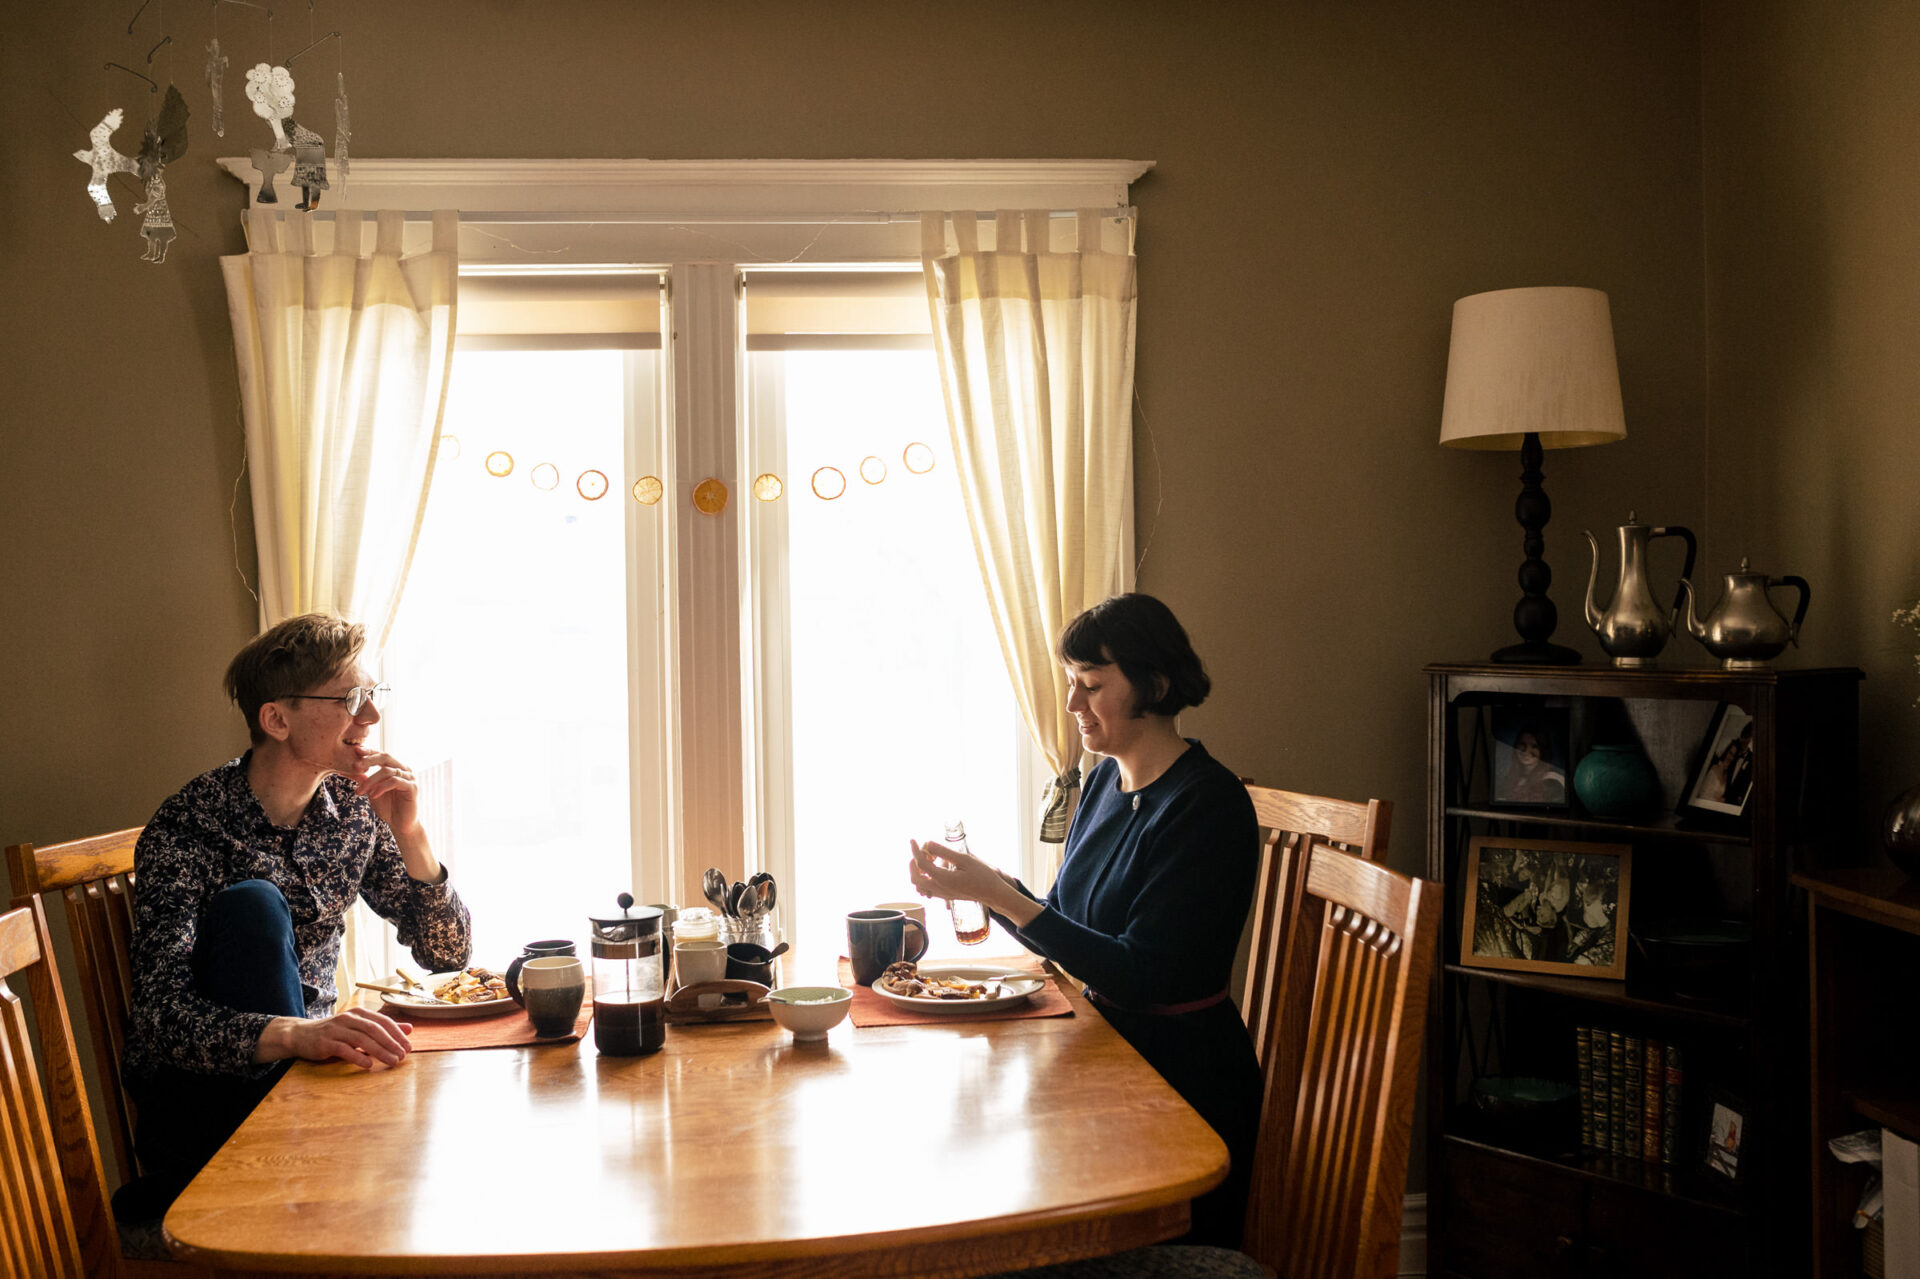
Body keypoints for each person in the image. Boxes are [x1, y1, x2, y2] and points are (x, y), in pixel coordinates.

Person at [908, 593, 1260, 1248]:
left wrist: (1003, 896)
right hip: (1108, 1060)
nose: (1072, 705)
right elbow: (1069, 921)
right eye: (1072, 682)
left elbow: (1140, 974)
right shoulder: (1101, 784)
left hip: (1181, 1088)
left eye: (1090, 684)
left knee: (1013, 1223)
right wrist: (985, 886)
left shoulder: (1208, 805)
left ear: (1153, 685)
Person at [114, 613, 471, 1223]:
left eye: (372, 696)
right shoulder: (189, 825)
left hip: (303, 1090)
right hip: (206, 1109)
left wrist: (410, 832)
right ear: (276, 720)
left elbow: (447, 953)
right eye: (351, 699)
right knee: (254, 903)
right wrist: (295, 1033)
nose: (371, 718)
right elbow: (159, 1021)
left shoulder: (353, 814)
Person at [1499, 727, 1566, 804]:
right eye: (1522, 744)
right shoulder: (1512, 778)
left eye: (1534, 746)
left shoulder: (1553, 782)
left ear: (1543, 751)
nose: (1526, 751)